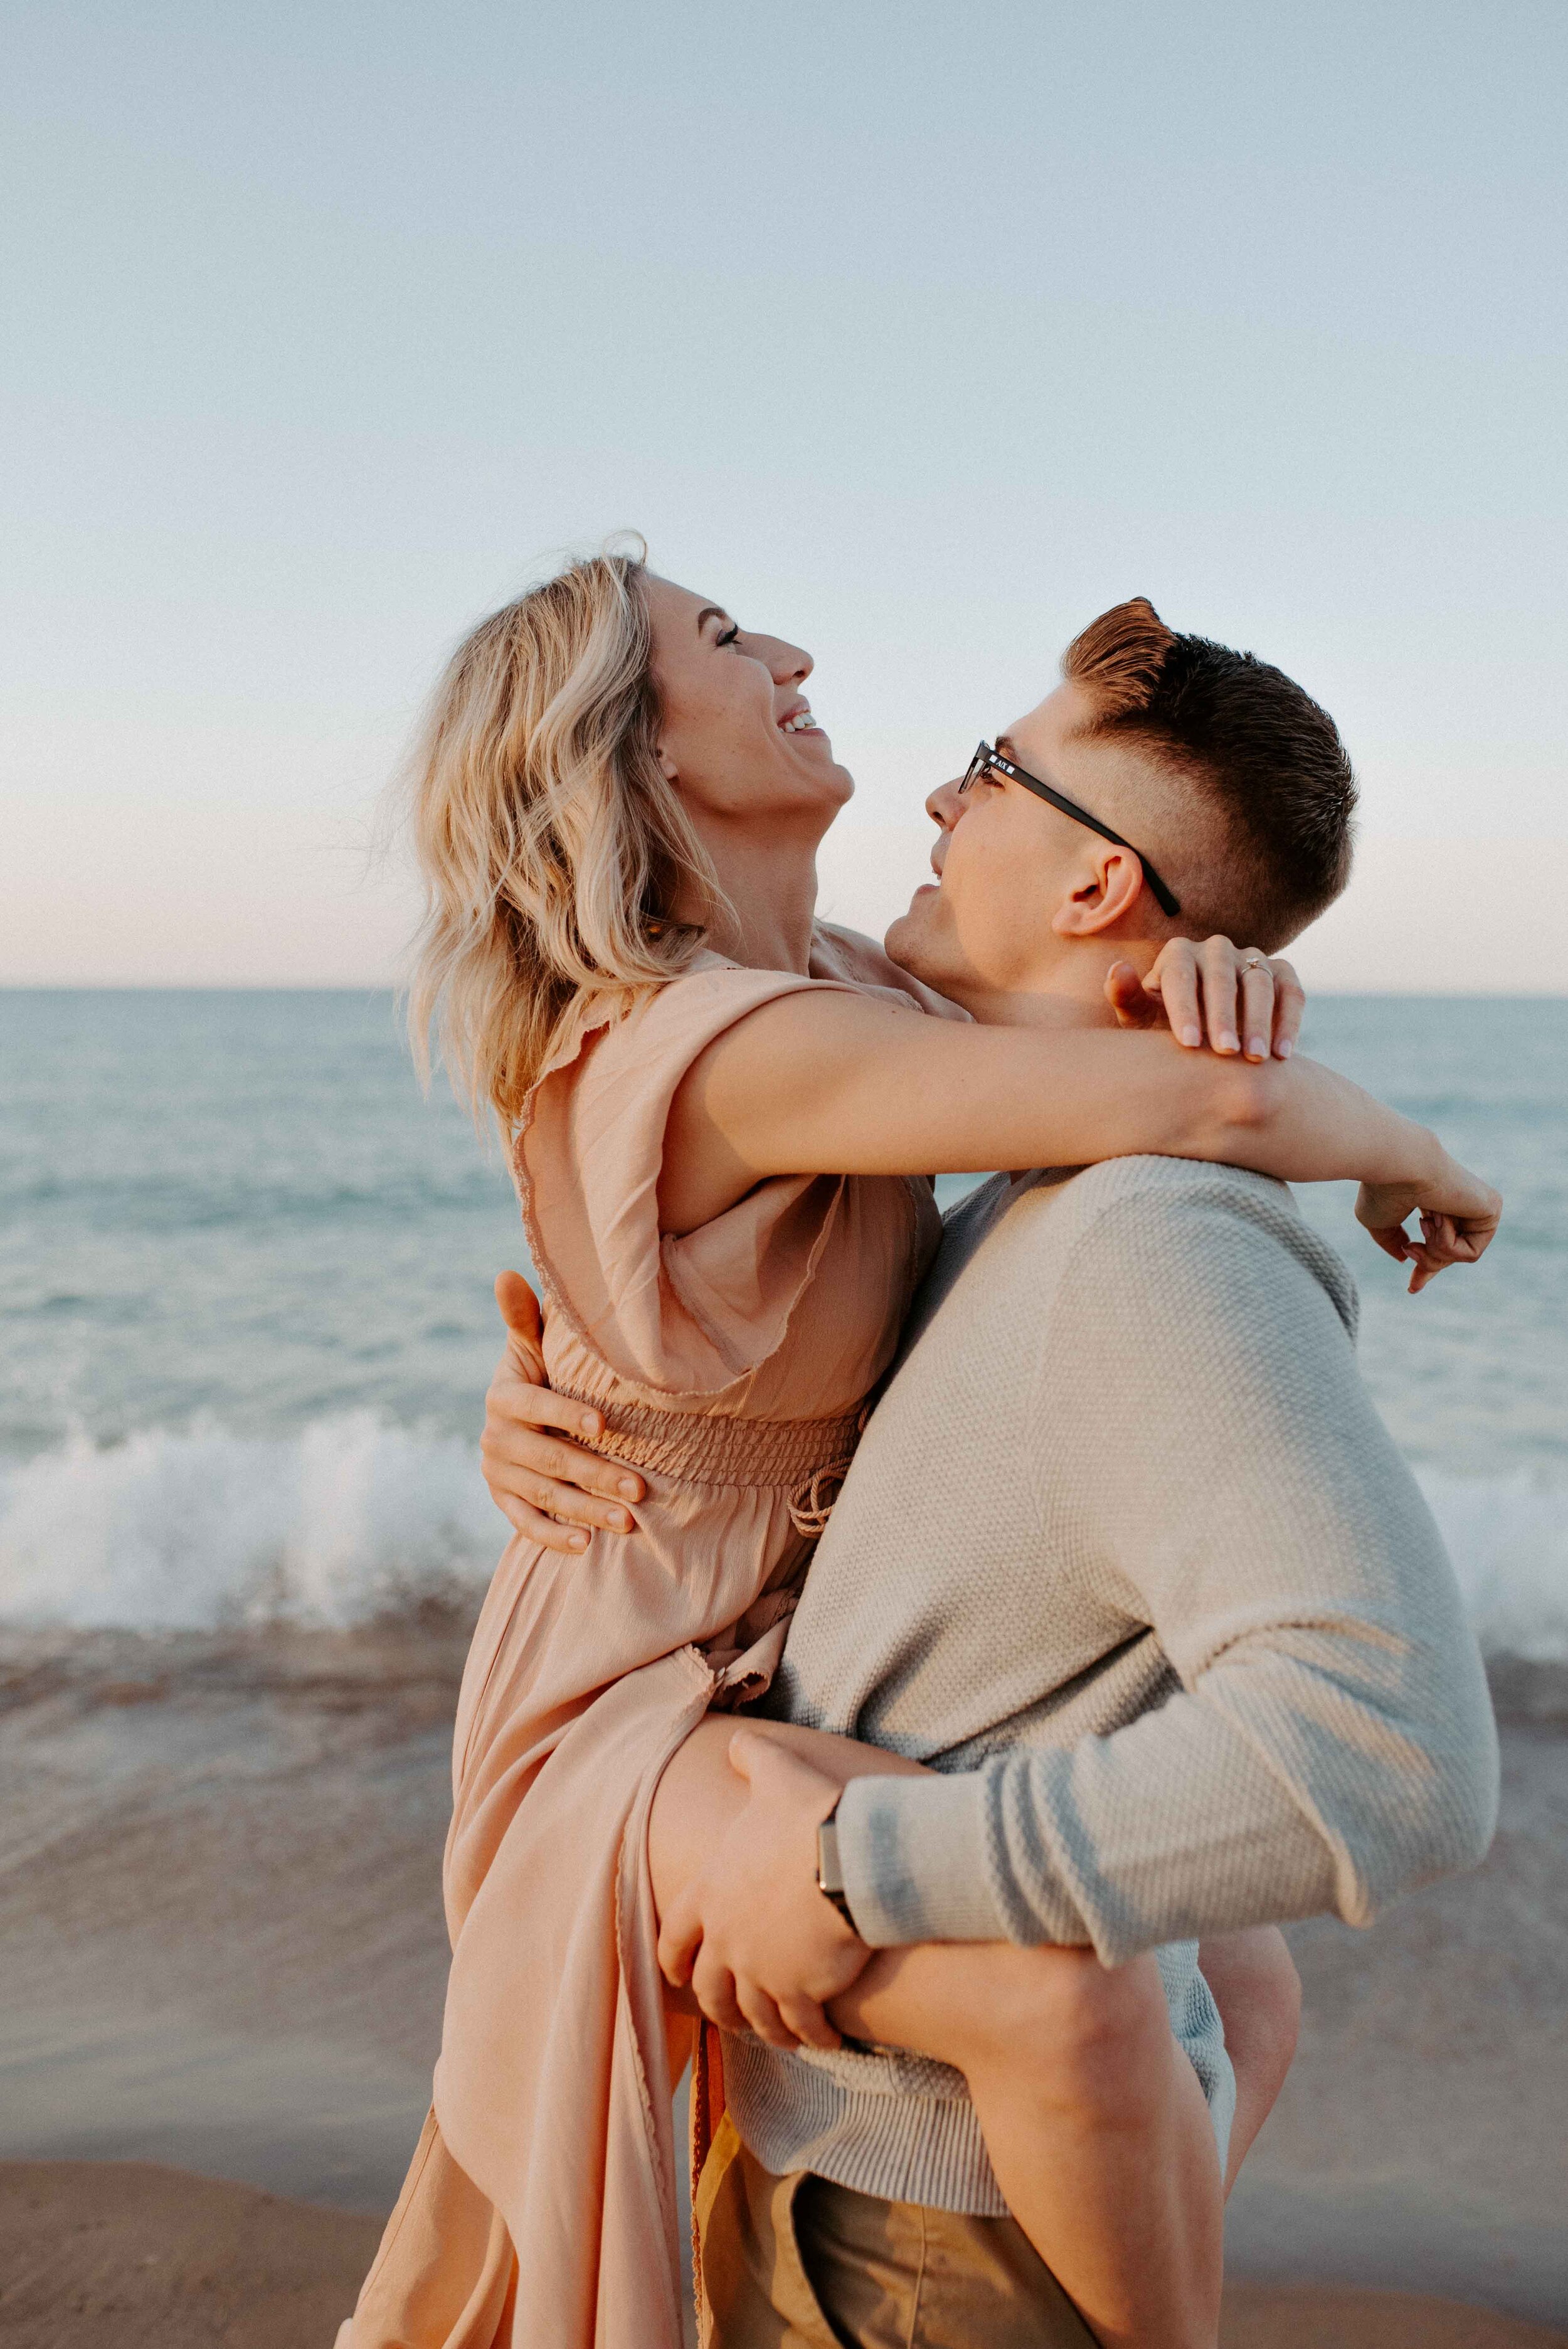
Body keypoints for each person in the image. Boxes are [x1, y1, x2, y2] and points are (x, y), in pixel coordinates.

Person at [341, 552, 1498, 2349]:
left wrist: (1206, 973)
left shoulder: (837, 988)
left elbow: (1084, 1026)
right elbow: (1188, 1094)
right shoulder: (732, 1040)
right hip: (640, 1680)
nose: (793, 650)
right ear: (636, 754)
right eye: (723, 640)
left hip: (738, 1624)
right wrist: (1407, 1150)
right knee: (1060, 2004)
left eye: (993, 766)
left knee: (1236, 1979)